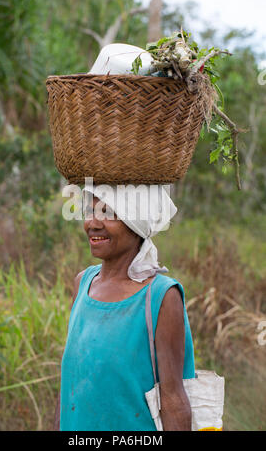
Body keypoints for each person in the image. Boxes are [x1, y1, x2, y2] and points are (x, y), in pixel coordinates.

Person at [54, 184, 195, 431]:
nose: (93, 223)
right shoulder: (83, 284)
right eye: (90, 210)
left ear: (136, 221)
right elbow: (71, 384)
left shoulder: (161, 296)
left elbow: (173, 399)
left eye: (108, 212)